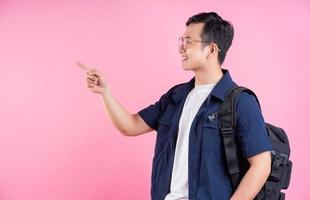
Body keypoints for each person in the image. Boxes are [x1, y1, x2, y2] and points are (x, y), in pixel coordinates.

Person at [82, 12, 272, 200]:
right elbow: (130, 125)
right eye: (181, 41)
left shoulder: (240, 101)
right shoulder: (176, 96)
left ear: (211, 50)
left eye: (188, 41)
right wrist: (104, 92)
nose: (181, 48)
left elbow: (261, 164)